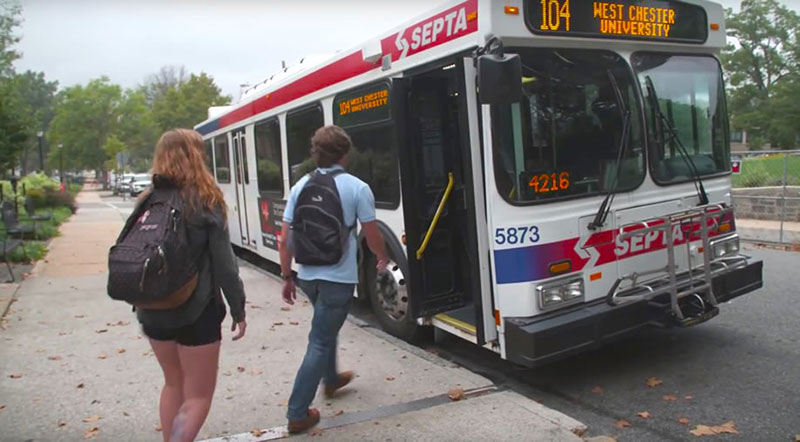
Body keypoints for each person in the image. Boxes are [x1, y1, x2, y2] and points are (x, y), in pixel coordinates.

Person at [136, 129, 248, 442]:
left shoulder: (147, 200)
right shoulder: (206, 201)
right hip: (196, 312)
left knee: (173, 384)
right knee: (198, 396)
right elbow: (225, 265)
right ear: (196, 156)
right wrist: (238, 309)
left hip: (153, 311)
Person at [280, 125, 388, 433]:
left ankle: (331, 379)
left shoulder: (301, 185)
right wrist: (382, 257)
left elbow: (284, 237)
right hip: (338, 279)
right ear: (345, 153)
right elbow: (371, 233)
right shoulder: (357, 188)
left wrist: (287, 275)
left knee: (324, 328)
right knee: (320, 339)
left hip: (308, 276)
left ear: (316, 154)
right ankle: (297, 412)